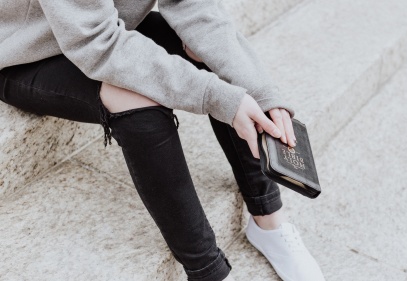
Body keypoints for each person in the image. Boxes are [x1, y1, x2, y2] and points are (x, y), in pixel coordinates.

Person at [0, 1, 325, 280]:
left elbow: (194, 7)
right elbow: (96, 43)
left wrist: (261, 93)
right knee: (139, 103)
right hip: (25, 48)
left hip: (111, 28)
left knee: (215, 58)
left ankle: (269, 222)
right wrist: (218, 97)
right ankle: (208, 271)